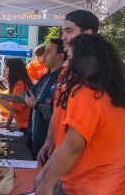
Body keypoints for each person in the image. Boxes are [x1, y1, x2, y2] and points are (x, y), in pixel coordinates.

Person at [35, 34, 125, 195]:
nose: (64, 65)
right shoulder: (109, 93)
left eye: (69, 59)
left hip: (92, 188)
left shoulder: (86, 93)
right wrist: (45, 173)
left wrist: (48, 181)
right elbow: (66, 143)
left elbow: (73, 145)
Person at [36, 10, 100, 167]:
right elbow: (58, 108)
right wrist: (50, 139)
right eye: (62, 31)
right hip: (60, 157)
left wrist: (50, 175)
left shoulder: (96, 73)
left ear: (88, 33)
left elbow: (76, 139)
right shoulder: (65, 71)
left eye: (69, 31)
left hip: (84, 167)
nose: (63, 36)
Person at [25, 38, 65, 159]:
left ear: (60, 57)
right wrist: (0, 96)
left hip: (48, 148)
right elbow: (26, 96)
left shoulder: (63, 79)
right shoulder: (45, 77)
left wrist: (36, 105)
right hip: (34, 139)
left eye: (48, 52)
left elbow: (58, 112)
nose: (44, 55)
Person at [0, 59, 32, 133]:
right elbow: (13, 107)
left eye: (7, 67)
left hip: (27, 126)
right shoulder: (18, 83)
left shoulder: (20, 84)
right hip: (24, 125)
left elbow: (14, 109)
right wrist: (7, 124)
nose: (4, 70)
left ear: (13, 70)